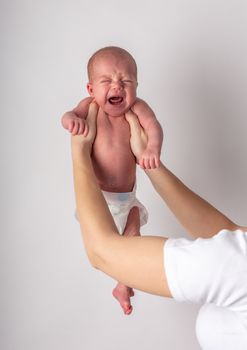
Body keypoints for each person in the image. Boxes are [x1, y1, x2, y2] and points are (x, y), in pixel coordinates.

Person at [71, 102, 247, 350]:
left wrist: (80, 152)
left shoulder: (239, 265)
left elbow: (102, 253)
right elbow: (226, 234)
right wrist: (148, 163)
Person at [62, 46, 163, 314]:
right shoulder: (88, 107)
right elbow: (66, 116)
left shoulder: (138, 108)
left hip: (127, 198)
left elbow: (154, 127)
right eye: (106, 81)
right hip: (98, 198)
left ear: (137, 86)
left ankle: (122, 284)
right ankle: (122, 279)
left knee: (132, 239)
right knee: (106, 249)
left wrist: (152, 149)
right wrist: (72, 120)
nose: (117, 86)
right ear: (91, 88)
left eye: (126, 81)